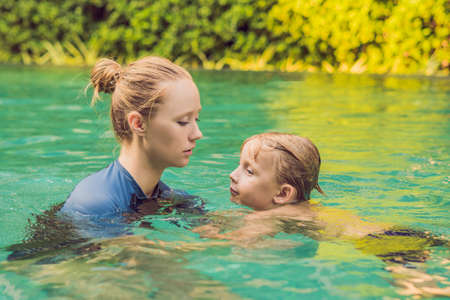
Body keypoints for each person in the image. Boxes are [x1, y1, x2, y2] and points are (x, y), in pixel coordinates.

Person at [194, 132, 449, 297]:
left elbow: (241, 243)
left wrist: (206, 237)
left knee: (423, 291)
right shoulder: (302, 210)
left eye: (249, 171)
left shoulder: (267, 216)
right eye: (240, 166)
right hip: (398, 232)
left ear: (283, 194)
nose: (232, 174)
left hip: (388, 245)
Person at [61, 56, 203, 217]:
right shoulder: (94, 205)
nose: (197, 134)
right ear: (138, 124)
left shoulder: (170, 199)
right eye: (183, 121)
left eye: (196, 119)